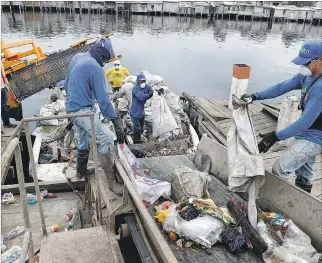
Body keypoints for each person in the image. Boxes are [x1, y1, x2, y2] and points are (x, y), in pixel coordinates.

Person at [241, 40, 322, 193]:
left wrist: (275, 136)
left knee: (279, 169)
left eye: (306, 63)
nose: (303, 66)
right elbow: (281, 87)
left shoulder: (320, 88)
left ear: (319, 60)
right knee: (304, 174)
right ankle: (303, 201)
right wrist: (255, 96)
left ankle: (277, 203)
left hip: (316, 135)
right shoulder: (306, 76)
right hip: (307, 130)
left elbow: (304, 123)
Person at [64, 36, 125, 196]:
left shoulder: (77, 57)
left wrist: (69, 114)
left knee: (83, 138)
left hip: (72, 107)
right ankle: (111, 182)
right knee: (106, 137)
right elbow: (103, 101)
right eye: (105, 58)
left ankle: (80, 172)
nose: (105, 62)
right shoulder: (95, 68)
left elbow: (66, 82)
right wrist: (116, 121)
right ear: (102, 55)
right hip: (83, 111)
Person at [129, 74, 154, 144]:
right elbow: (141, 97)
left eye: (144, 81)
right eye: (141, 81)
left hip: (142, 111)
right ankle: (136, 142)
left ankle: (140, 137)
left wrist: (156, 91)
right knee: (137, 128)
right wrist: (149, 95)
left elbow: (151, 90)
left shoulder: (146, 86)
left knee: (141, 128)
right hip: (135, 112)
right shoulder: (135, 88)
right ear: (137, 81)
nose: (142, 83)